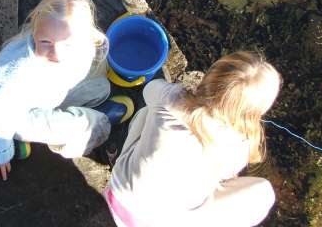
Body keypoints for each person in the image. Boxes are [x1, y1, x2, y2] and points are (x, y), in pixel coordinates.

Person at [105, 51, 282, 226]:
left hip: (116, 198)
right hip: (157, 221)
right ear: (255, 112)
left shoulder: (173, 97)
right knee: (264, 193)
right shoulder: (240, 148)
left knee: (147, 111)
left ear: (211, 76)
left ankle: (118, 154)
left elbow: (148, 90)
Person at [0, 0, 134, 180]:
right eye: (45, 42)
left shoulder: (80, 44)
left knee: (101, 87)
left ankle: (77, 117)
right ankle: (87, 127)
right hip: (17, 116)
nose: (56, 54)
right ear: (35, 32)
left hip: (47, 96)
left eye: (67, 44)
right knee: (87, 126)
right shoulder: (15, 72)